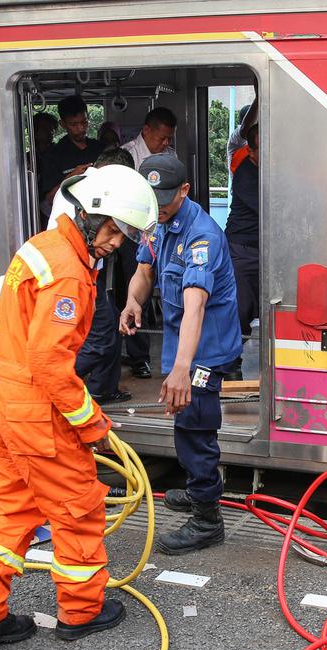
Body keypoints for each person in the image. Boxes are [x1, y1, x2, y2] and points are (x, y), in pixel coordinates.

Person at [0, 164, 158, 649]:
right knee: (78, 510)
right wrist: (92, 424)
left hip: (5, 405)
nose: (116, 242)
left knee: (10, 510)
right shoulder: (70, 274)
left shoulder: (43, 247)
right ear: (90, 215)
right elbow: (49, 362)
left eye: (124, 233)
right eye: (113, 229)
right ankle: (81, 611)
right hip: (36, 413)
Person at [120, 155, 242, 555]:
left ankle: (208, 520)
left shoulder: (201, 236)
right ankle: (197, 491)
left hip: (204, 350)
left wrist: (181, 370)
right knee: (184, 421)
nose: (159, 207)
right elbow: (144, 269)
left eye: (167, 200)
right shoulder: (156, 223)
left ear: (185, 190)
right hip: (183, 346)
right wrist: (132, 302)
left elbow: (195, 308)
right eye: (153, 201)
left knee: (194, 427)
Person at [47, 147, 135, 404]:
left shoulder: (77, 184)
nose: (117, 242)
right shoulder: (89, 189)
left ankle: (101, 388)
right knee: (102, 335)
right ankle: (59, 386)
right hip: (74, 271)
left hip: (86, 270)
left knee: (107, 328)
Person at [113, 109, 178, 381]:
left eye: (169, 139)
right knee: (134, 294)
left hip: (162, 232)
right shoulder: (128, 156)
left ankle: (172, 351)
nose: (165, 143)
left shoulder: (170, 156)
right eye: (161, 137)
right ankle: (138, 357)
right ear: (147, 130)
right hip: (132, 236)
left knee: (165, 289)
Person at [224, 123, 261, 348]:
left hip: (264, 250)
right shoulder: (245, 175)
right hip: (241, 250)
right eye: (263, 150)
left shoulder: (274, 170)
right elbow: (270, 210)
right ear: (250, 151)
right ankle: (231, 362)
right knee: (240, 308)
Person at [39, 95, 104, 203]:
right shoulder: (52, 156)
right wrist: (71, 177)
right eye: (73, 124)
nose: (80, 128)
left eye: (84, 122)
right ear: (63, 124)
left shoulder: (100, 148)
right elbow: (50, 199)